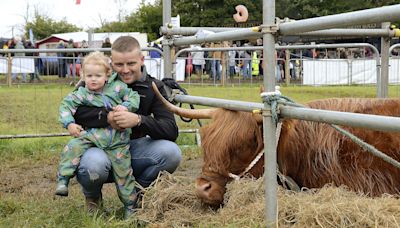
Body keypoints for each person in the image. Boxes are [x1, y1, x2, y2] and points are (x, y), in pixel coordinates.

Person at [72, 36, 181, 214]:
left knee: (171, 153)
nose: (125, 70)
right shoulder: (96, 80)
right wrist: (107, 118)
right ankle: (93, 199)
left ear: (141, 60)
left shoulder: (154, 86)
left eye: (131, 63)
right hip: (99, 146)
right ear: (111, 63)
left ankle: (139, 195)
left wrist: (138, 120)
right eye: (118, 65)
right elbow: (73, 112)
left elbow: (170, 129)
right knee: (93, 165)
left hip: (132, 149)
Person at [56, 51, 140, 219]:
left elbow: (134, 97)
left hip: (118, 141)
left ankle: (131, 206)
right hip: (92, 137)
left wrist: (126, 106)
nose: (93, 79)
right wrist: (70, 123)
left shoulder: (117, 88)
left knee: (124, 175)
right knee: (72, 146)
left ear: (107, 75)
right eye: (89, 75)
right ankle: (63, 179)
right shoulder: (81, 93)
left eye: (98, 75)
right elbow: (65, 106)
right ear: (82, 75)